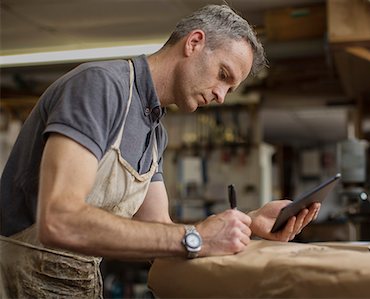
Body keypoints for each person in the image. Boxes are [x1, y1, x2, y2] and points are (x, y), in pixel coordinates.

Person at [0, 4, 321, 298]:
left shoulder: (155, 133)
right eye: (223, 75)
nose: (222, 96)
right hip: (16, 281)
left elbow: (161, 235)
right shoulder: (101, 88)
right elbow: (59, 220)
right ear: (194, 43)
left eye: (231, 88)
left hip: (78, 285)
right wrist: (196, 237)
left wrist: (247, 223)